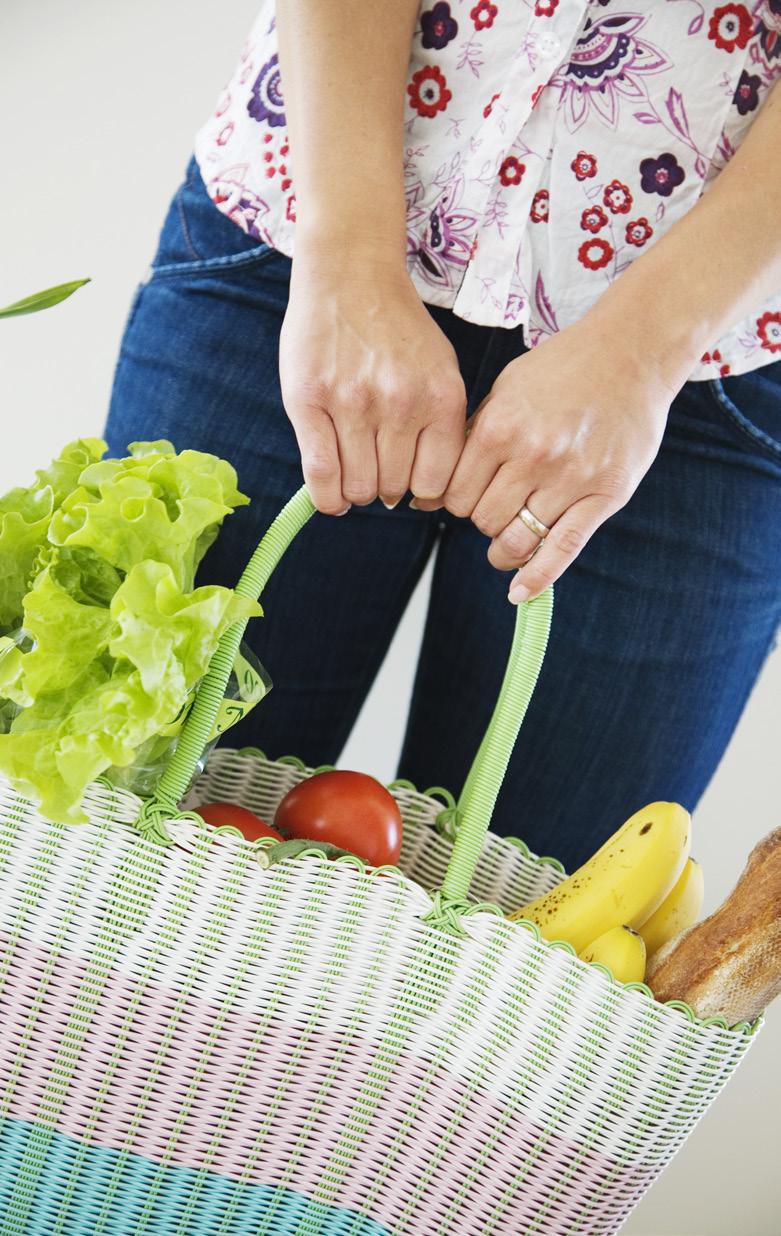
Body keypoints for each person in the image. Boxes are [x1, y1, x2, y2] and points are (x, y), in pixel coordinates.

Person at [103, 0, 781, 872]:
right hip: (302, 245)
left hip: (703, 351)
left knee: (519, 936)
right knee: (125, 855)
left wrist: (643, 351)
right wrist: (346, 255)